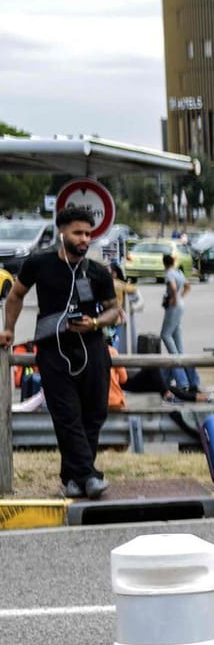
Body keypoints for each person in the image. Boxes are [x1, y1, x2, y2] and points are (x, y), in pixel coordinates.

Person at [1, 207, 121, 498]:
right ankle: (90, 476)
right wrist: (9, 329)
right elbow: (16, 295)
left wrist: (93, 322)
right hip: (53, 349)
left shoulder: (96, 271)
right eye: (78, 233)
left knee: (94, 414)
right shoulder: (39, 264)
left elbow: (114, 311)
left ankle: (73, 477)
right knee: (67, 415)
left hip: (92, 347)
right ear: (62, 232)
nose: (84, 239)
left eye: (88, 234)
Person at [156, 253, 208, 402]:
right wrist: (180, 297)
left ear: (164, 263)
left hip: (173, 306)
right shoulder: (179, 272)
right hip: (180, 304)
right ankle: (183, 365)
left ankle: (179, 369)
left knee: (165, 335)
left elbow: (172, 286)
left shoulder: (169, 274)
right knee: (177, 335)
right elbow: (187, 286)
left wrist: (173, 298)